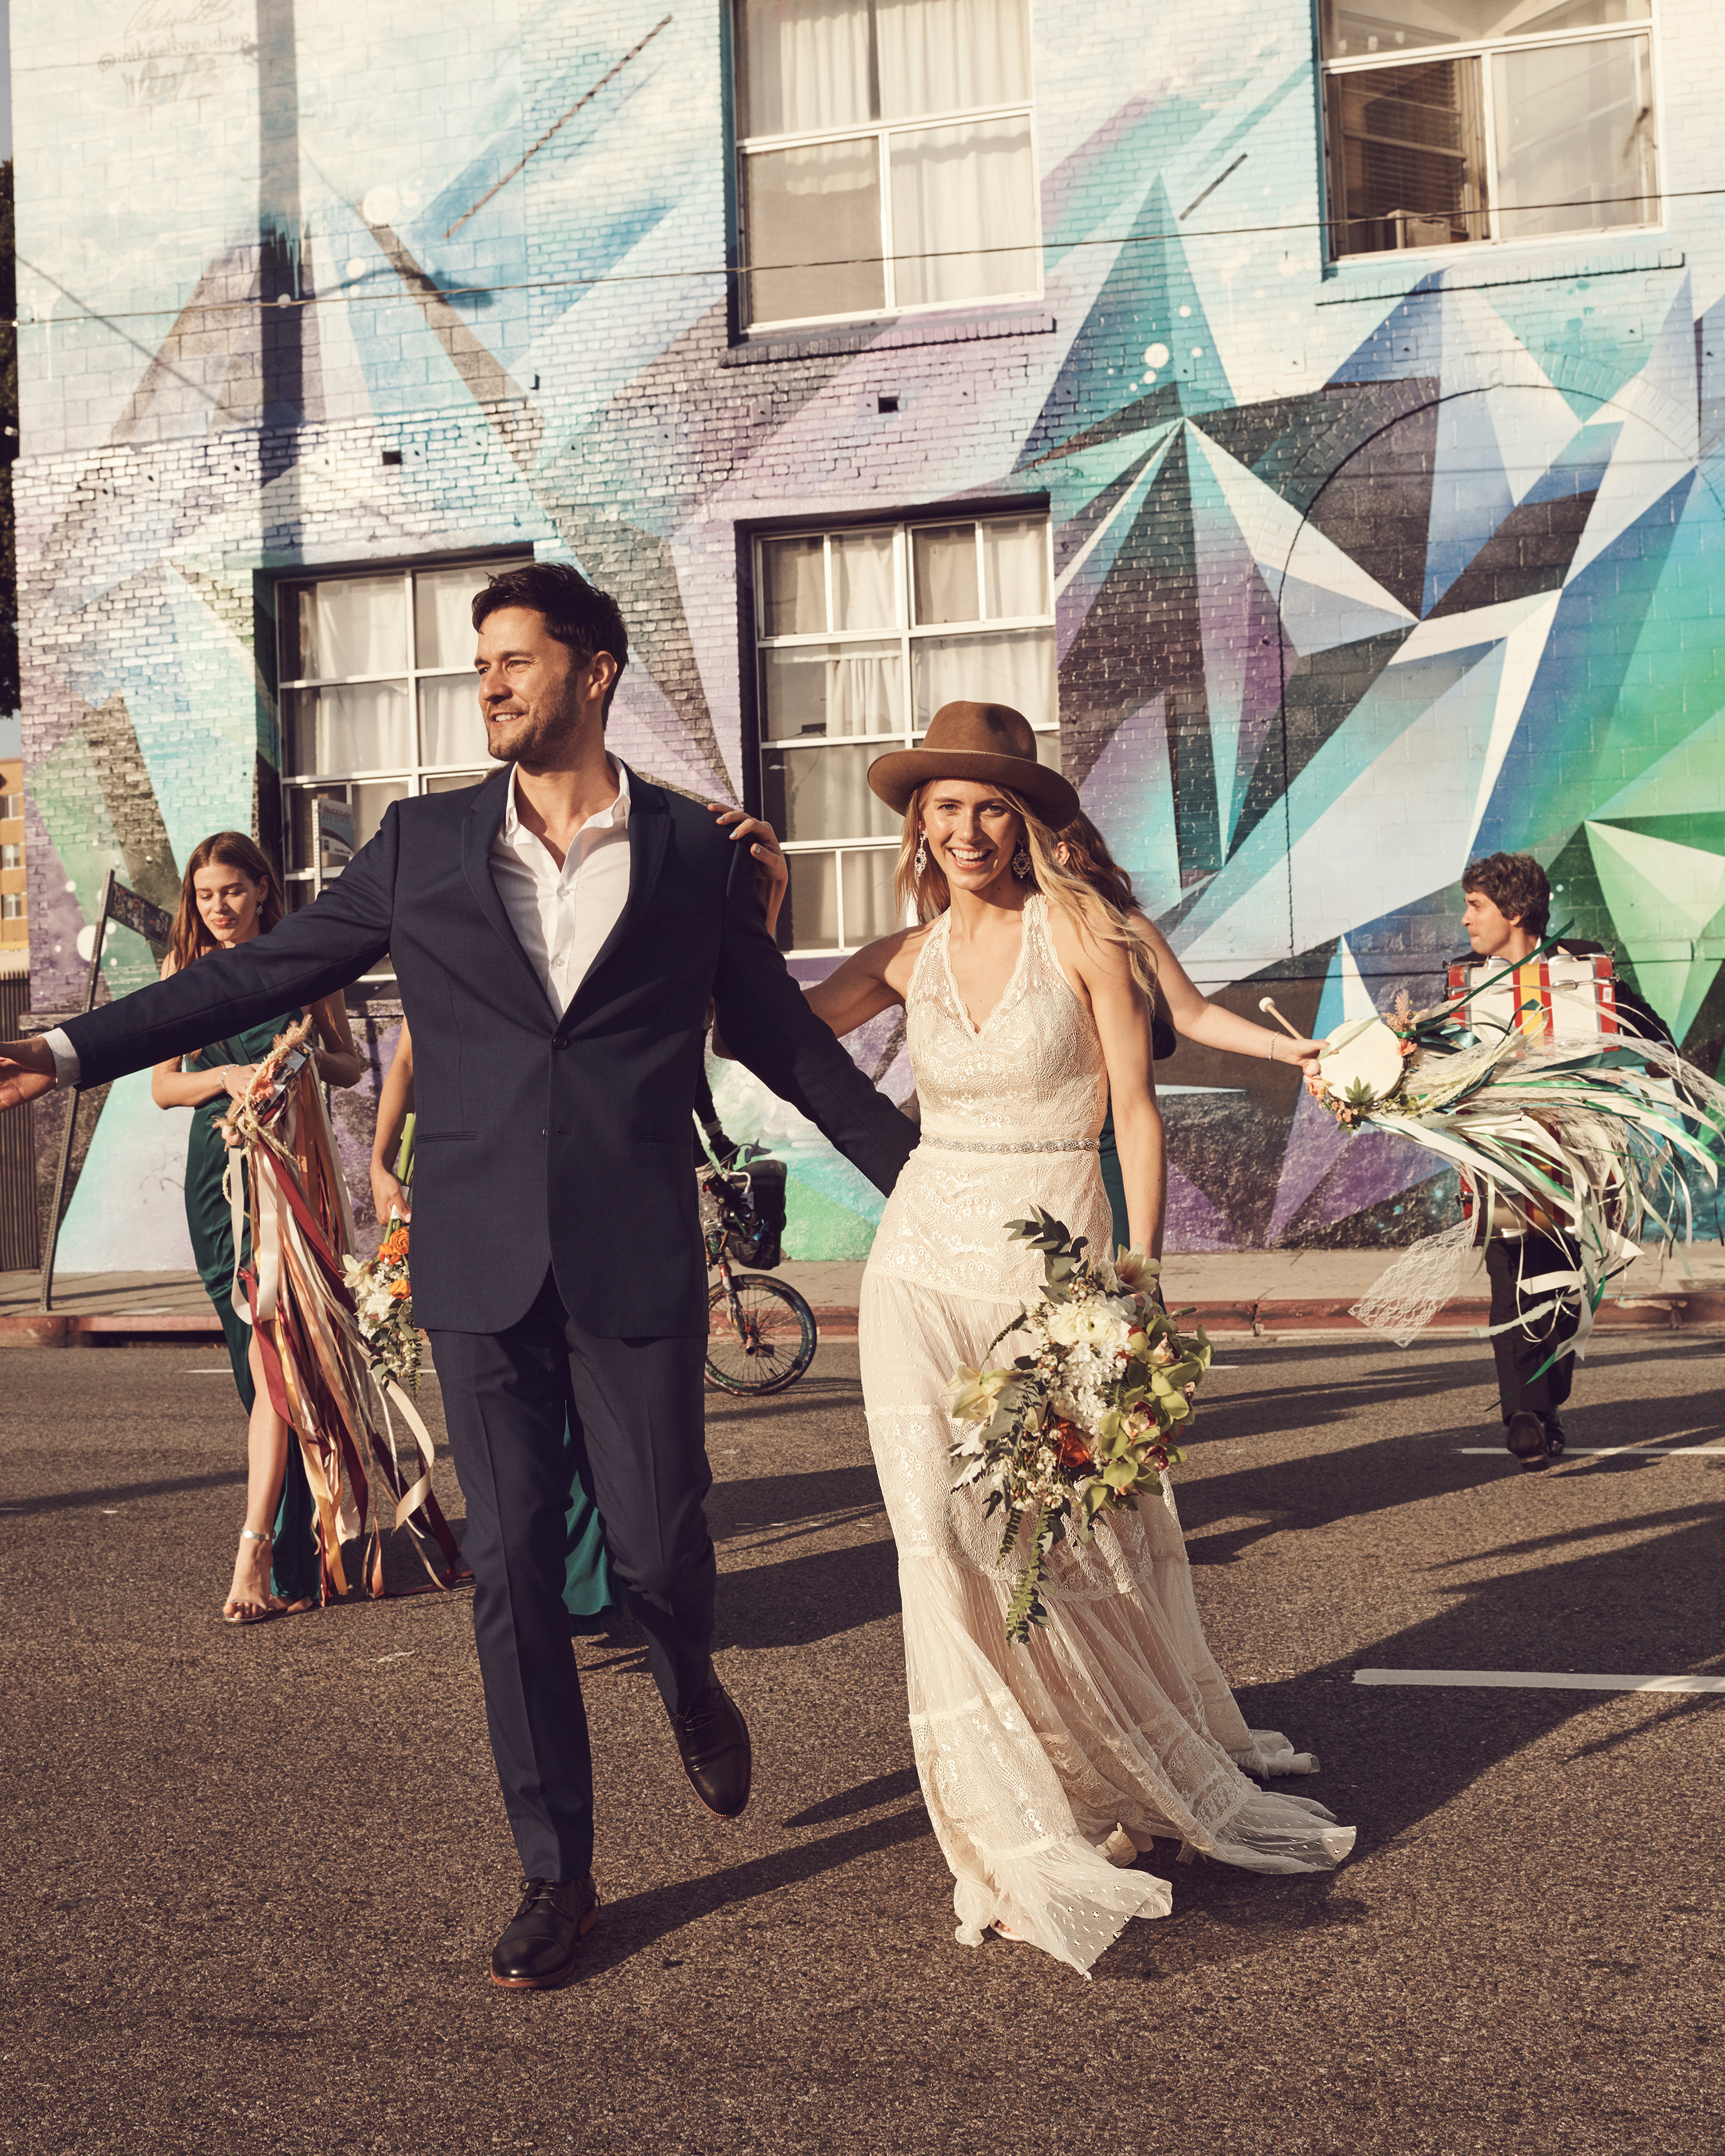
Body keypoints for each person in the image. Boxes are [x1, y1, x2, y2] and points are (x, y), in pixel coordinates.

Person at [0, 560, 916, 1992]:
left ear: (595, 671)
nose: (486, 681)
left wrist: (924, 1179)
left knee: (662, 1542)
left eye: (514, 657)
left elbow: (784, 1044)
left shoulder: (691, 853)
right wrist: (65, 1051)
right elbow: (254, 976)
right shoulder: (420, 848)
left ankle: (687, 1668)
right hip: (479, 1258)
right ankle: (558, 1872)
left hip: (634, 1255)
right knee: (508, 1571)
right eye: (476, 660)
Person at [789, 701, 1353, 1974]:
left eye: (990, 804)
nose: (967, 828)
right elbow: (761, 1030)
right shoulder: (901, 952)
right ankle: (1001, 1829)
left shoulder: (1085, 928)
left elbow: (1147, 1095)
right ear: (917, 828)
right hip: (919, 1263)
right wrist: (739, 893)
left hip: (1049, 1266)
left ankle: (1101, 1758)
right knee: (932, 1536)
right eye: (943, 807)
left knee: (1049, 1534)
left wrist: (1135, 1280)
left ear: (1030, 819)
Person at [149, 831, 365, 1623]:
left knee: (282, 1354)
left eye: (233, 891)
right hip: (220, 1184)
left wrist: (301, 1054)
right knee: (257, 1369)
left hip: (294, 1175)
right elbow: (164, 1087)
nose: (219, 908)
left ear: (264, 890)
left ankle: (269, 1552)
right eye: (206, 895)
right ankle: (302, 1538)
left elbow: (350, 1065)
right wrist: (227, 1076)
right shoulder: (183, 972)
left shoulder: (304, 962)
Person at [370, 1016, 615, 1633]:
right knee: (512, 1403)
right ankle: (536, 1586)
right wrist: (379, 1161)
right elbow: (405, 1061)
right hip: (468, 1188)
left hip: (568, 1173)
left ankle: (590, 1583)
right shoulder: (446, 939)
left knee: (576, 1392)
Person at [1456, 852, 1671, 1471]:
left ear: (1514, 911)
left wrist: (1649, 1081)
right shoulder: (1464, 986)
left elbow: (1652, 1036)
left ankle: (1546, 1405)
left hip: (1577, 1167)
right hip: (1503, 1162)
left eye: (1476, 907)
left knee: (1567, 1287)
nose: (1467, 921)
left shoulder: (1583, 976)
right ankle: (1522, 1414)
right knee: (1512, 1277)